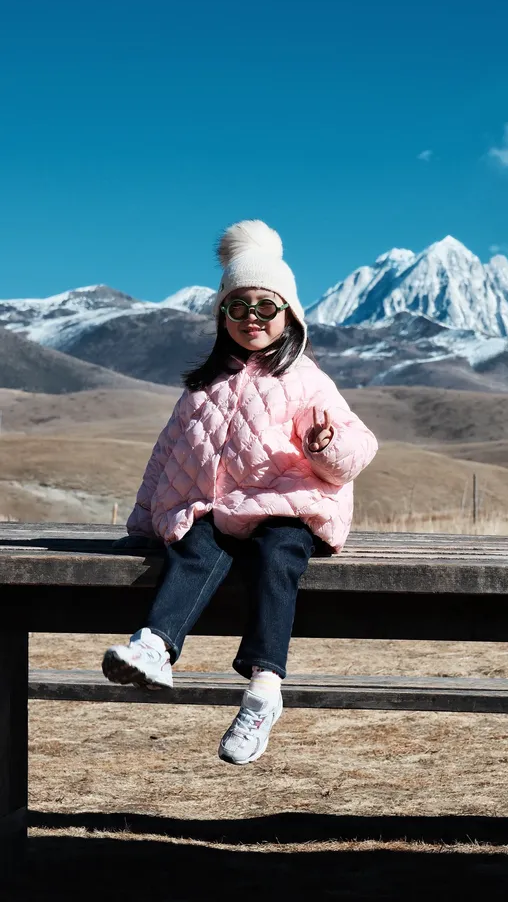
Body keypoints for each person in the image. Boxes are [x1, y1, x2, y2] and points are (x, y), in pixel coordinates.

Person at [102, 219, 378, 765]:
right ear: (222, 315)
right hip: (220, 511)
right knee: (194, 543)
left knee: (278, 557)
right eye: (238, 306)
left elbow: (358, 447)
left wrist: (323, 445)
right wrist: (143, 521)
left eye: (265, 306)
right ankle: (154, 646)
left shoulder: (306, 378)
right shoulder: (203, 386)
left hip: (291, 507)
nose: (252, 317)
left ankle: (264, 690)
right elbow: (169, 456)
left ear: (288, 314)